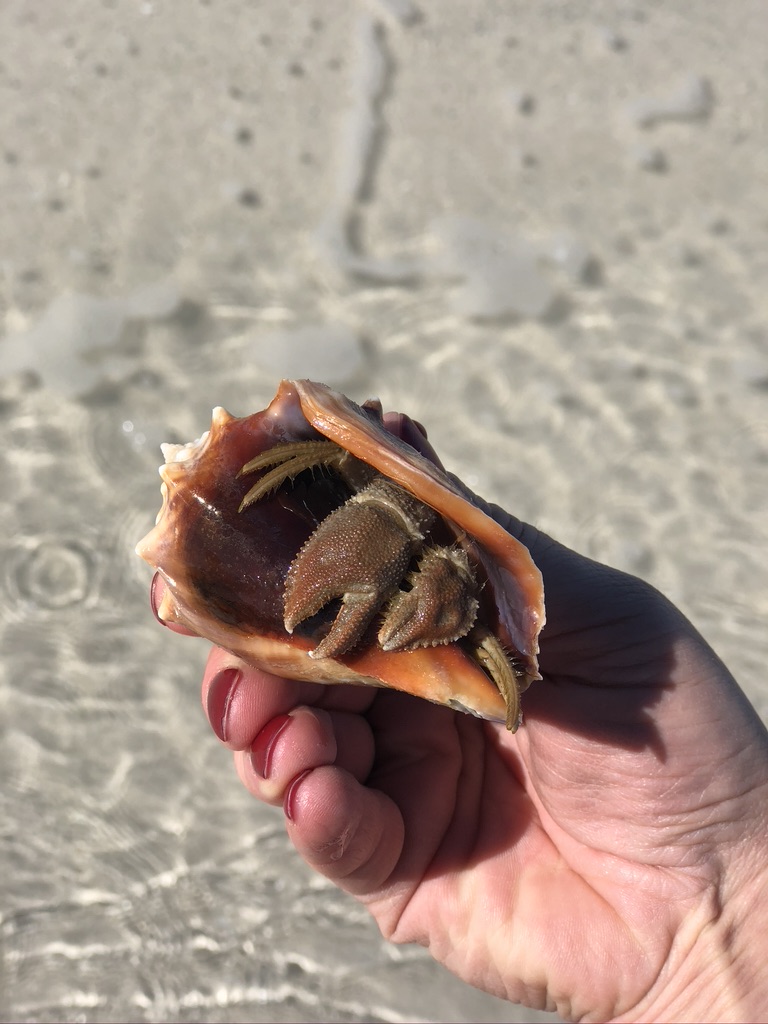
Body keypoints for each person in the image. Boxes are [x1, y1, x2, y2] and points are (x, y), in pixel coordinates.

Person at [155, 413, 768, 1022]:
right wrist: (695, 952)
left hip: (397, 525)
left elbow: (409, 517)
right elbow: (344, 461)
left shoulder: (428, 552)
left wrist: (704, 930)